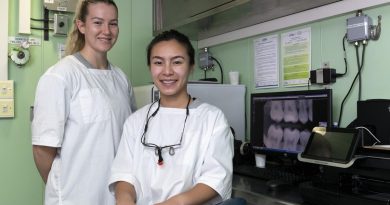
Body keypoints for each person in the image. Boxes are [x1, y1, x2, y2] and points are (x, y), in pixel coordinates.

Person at [109, 29, 238, 205]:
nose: (167, 71)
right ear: (150, 67)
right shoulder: (136, 121)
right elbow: (124, 175)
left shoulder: (212, 119)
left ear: (191, 66)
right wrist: (125, 199)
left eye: (177, 62)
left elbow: (215, 179)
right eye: (158, 63)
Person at [31, 0, 136, 204]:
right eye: (98, 22)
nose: (106, 30)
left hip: (115, 196)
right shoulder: (60, 76)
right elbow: (42, 150)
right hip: (74, 197)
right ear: (81, 26)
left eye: (112, 23)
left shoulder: (121, 78)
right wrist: (62, 187)